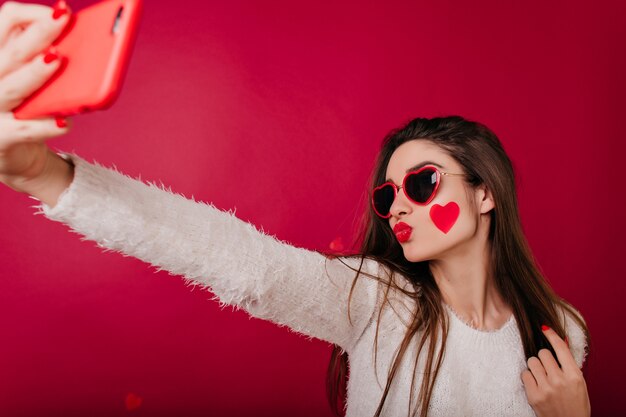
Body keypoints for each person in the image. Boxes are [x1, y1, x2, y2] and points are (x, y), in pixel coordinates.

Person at [0, 2, 591, 416]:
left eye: (420, 183)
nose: (397, 209)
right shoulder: (376, 298)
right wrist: (48, 176)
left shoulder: (562, 331)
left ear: (485, 193)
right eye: (386, 196)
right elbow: (239, 261)